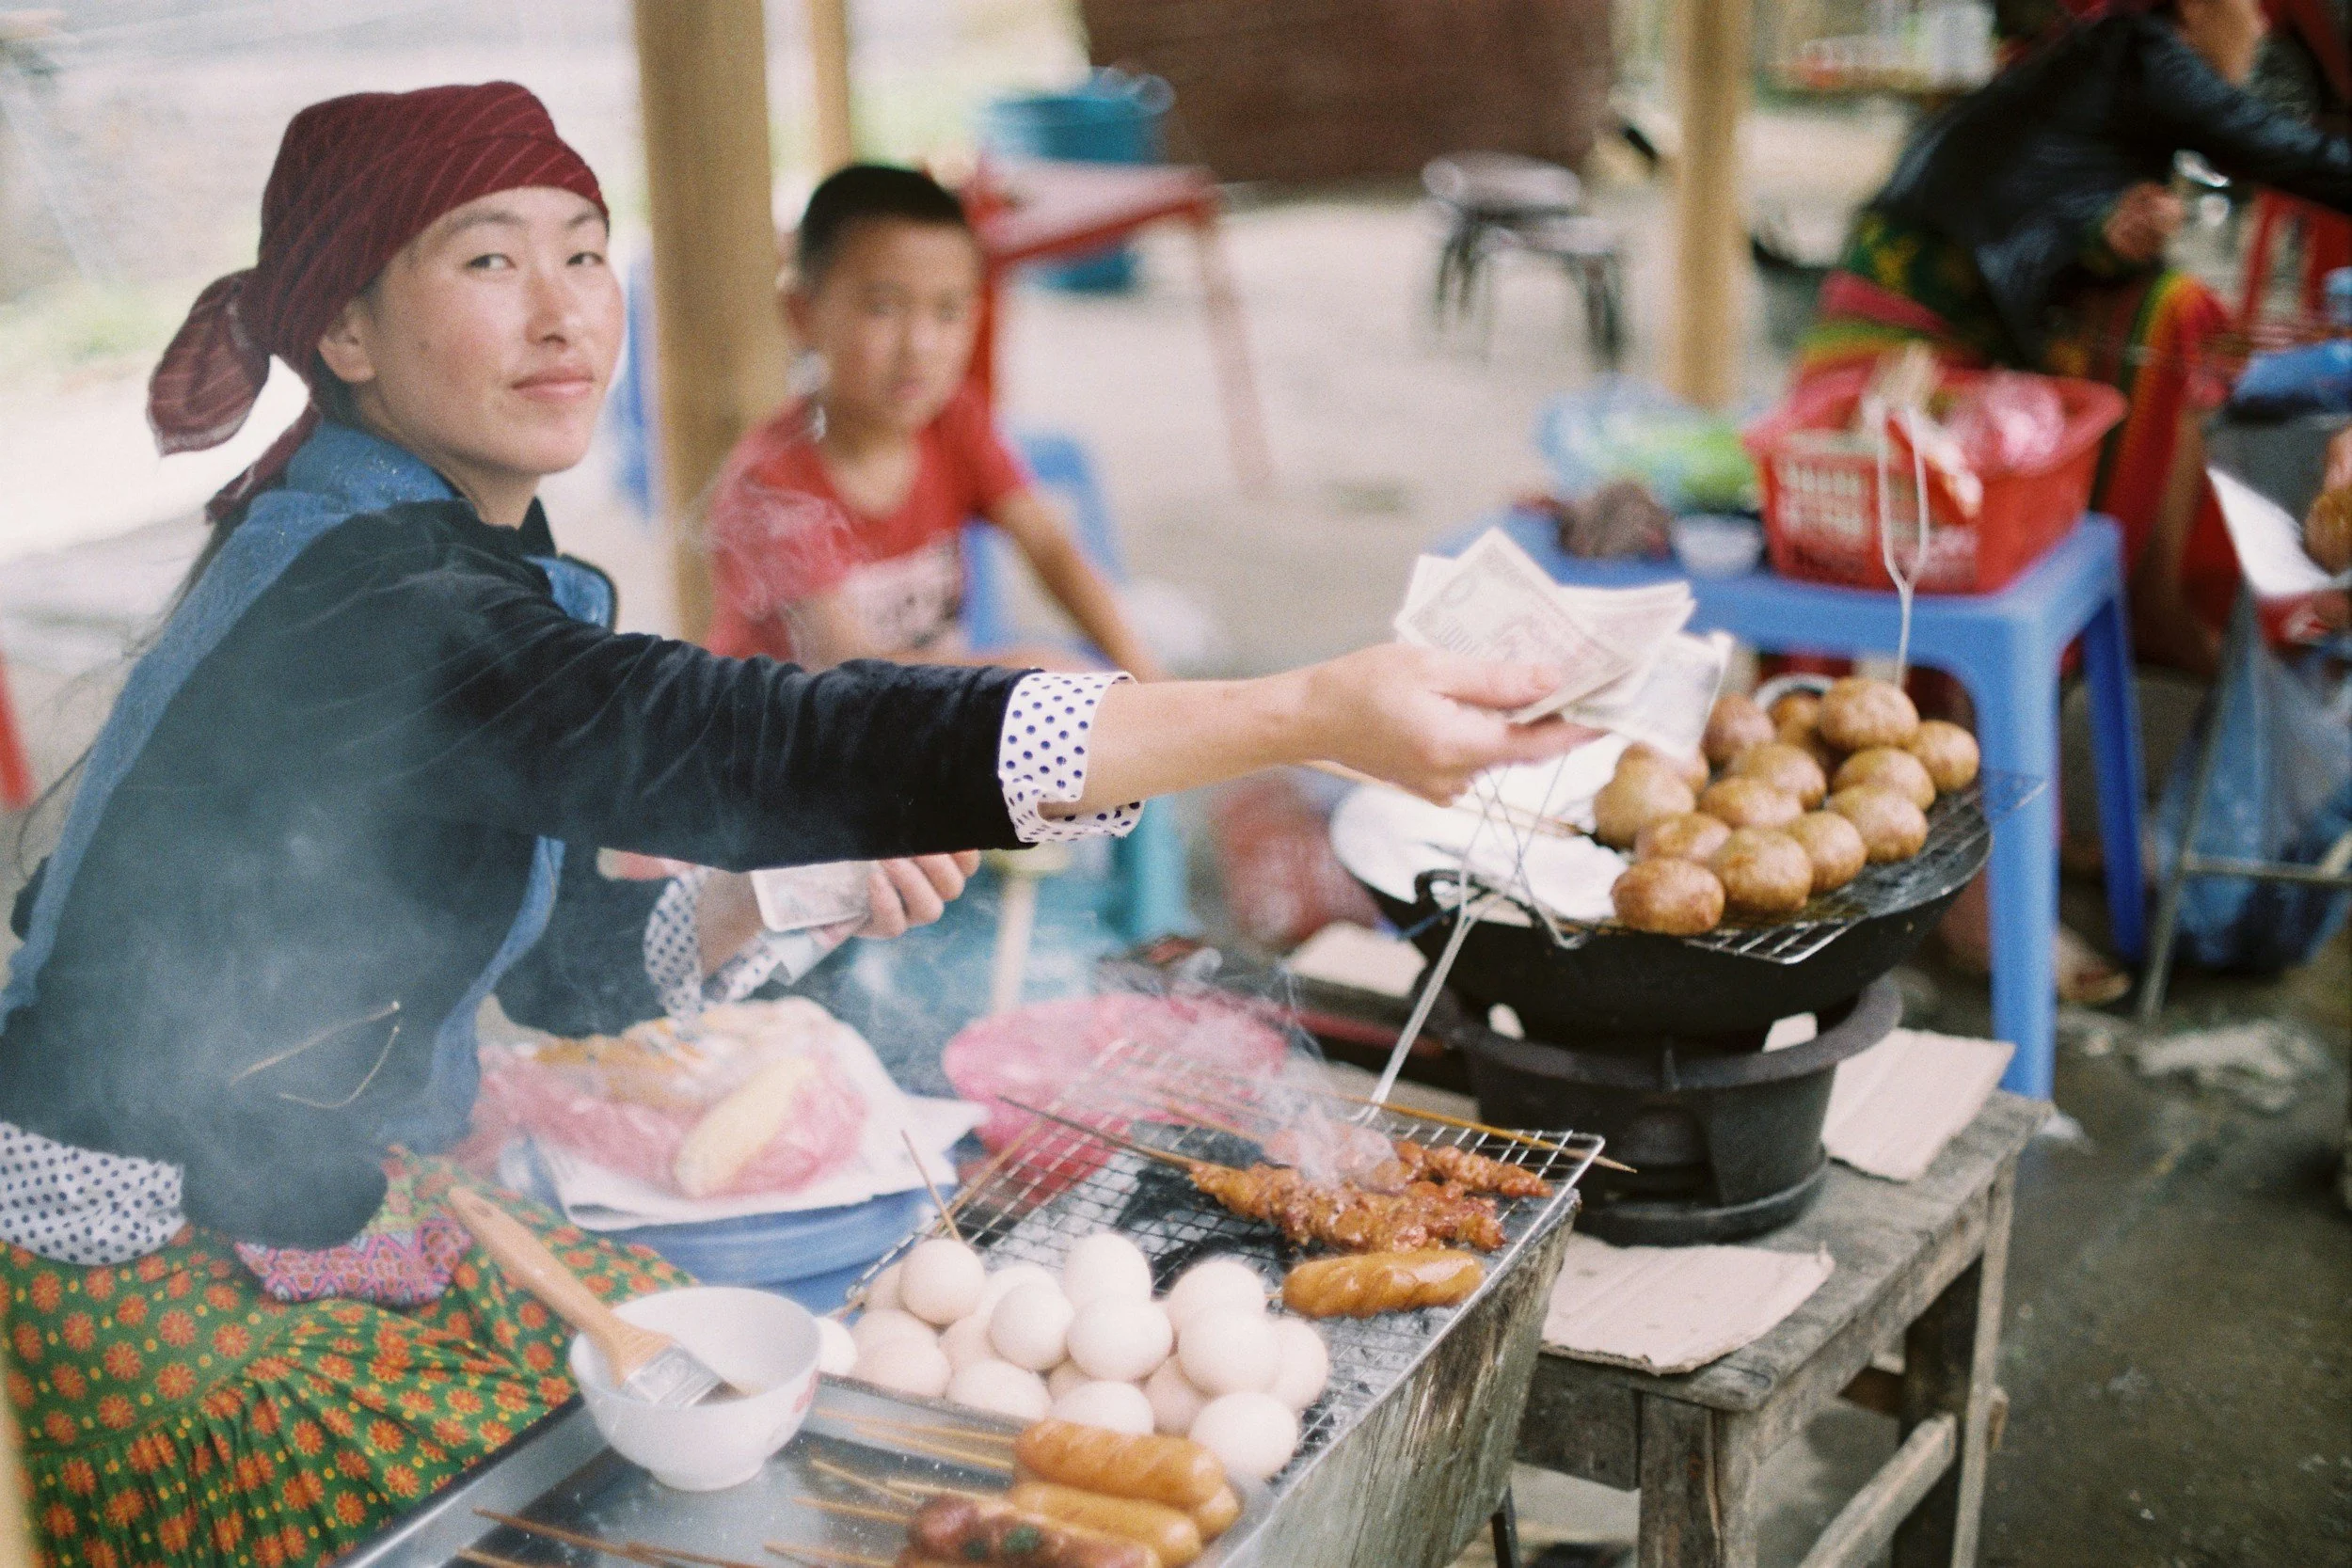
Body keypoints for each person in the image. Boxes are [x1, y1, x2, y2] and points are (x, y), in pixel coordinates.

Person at [0, 86, 1592, 1567]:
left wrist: (788, 892)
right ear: (343, 325)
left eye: (585, 253)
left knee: (718, 1380)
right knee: (570, 1490)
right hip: (141, 1246)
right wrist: (1306, 708)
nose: (566, 313)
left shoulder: (447, 542)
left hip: (322, 1182)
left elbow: (559, 971)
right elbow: (759, 728)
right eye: (489, 261)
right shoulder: (372, 601)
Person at [1799, 0, 2349, 676]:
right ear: (2201, 6)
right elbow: (2288, 151)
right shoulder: (2150, 53)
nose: (2263, 28)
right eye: (2252, 7)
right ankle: (2146, 606)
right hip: (1899, 324)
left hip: (1900, 296)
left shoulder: (2099, 57)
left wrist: (2109, 239)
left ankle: (2122, 617)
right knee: (2182, 314)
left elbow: (2033, 205)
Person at [705, 165, 1163, 677]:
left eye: (948, 312)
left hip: (921, 720)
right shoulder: (770, 484)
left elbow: (1052, 551)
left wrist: (1151, 684)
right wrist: (1021, 674)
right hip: (791, 745)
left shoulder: (952, 420)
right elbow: (846, 671)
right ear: (801, 314)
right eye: (882, 307)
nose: (920, 346)